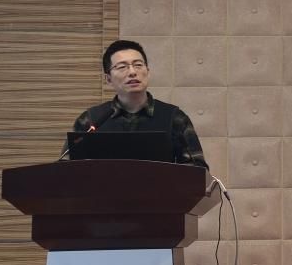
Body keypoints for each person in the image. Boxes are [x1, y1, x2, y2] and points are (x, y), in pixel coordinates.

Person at [66, 39, 208, 168]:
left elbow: (198, 170)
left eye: (138, 65)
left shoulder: (174, 117)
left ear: (148, 72)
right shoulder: (91, 120)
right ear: (108, 79)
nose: (132, 72)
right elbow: (67, 169)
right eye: (122, 67)